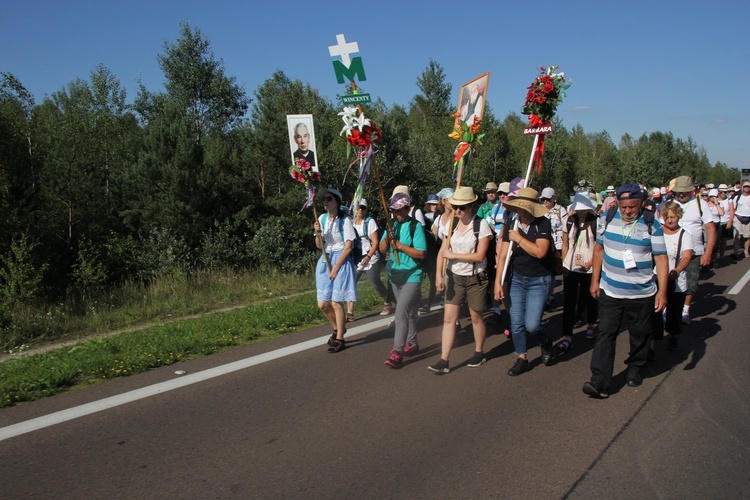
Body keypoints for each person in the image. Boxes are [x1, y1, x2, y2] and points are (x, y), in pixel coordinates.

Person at [582, 183, 668, 399]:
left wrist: (662, 291)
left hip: (641, 294)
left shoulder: (652, 225)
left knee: (639, 335)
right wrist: (595, 280)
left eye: (632, 207)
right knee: (605, 334)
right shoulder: (607, 219)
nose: (628, 211)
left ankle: (634, 369)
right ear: (617, 204)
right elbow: (599, 249)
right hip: (611, 291)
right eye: (624, 207)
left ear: (641, 203)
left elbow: (661, 258)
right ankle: (599, 380)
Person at [428, 187, 492, 374]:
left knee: (475, 316)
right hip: (454, 276)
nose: (458, 210)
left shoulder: (482, 225)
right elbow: (442, 251)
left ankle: (479, 352)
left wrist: (453, 254)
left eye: (462, 207)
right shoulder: (452, 224)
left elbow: (480, 256)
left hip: (476, 277)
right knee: (449, 319)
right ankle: (444, 360)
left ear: (472, 206)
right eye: (456, 206)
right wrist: (439, 275)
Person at [494, 187, 557, 376]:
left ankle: (545, 342)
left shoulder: (543, 224)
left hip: (539, 279)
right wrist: (498, 282)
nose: (521, 211)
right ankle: (521, 357)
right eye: (519, 207)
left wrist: (519, 239)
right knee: (516, 323)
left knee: (532, 324)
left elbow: (540, 251)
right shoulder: (511, 223)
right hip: (517, 279)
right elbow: (503, 255)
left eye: (525, 207)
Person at [380, 193, 427, 369]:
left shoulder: (415, 226)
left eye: (399, 210)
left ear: (408, 209)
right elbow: (382, 249)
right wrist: (388, 237)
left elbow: (422, 254)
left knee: (400, 313)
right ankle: (412, 343)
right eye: (393, 211)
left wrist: (399, 246)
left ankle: (397, 352)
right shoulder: (391, 224)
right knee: (408, 313)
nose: (396, 214)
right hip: (395, 276)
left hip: (412, 275)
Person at [313, 188, 357, 353]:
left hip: (341, 259)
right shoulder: (322, 218)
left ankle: (340, 338)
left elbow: (348, 247)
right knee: (322, 304)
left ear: (337, 202)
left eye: (329, 198)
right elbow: (319, 246)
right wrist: (318, 233)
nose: (325, 201)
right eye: (324, 198)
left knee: (336, 302)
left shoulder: (345, 220)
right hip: (326, 258)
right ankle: (338, 328)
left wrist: (336, 268)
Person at [670, 176, 716, 324]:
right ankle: (669, 309)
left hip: (694, 252)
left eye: (684, 192)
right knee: (670, 281)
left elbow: (710, 229)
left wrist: (708, 253)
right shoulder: (670, 204)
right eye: (679, 192)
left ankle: (685, 310)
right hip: (672, 251)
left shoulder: (700, 204)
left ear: (692, 191)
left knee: (691, 283)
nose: (681, 195)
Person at [558, 192, 599, 353]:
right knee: (569, 301)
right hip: (571, 266)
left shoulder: (596, 222)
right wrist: (564, 263)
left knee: (590, 297)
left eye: (584, 209)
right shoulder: (568, 220)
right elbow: (565, 243)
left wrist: (591, 264)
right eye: (578, 209)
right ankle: (567, 335)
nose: (581, 212)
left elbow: (598, 247)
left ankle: (591, 324)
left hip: (590, 266)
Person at [651, 200, 694, 353]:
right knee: (655, 312)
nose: (669, 220)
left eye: (673, 217)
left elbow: (687, 256)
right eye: (667, 217)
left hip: (676, 281)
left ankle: (673, 335)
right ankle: (653, 343)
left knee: (674, 313)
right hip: (657, 278)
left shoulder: (685, 235)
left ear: (678, 216)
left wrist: (677, 270)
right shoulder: (657, 232)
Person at [346, 199, 390, 322]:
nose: (360, 210)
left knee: (375, 282)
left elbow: (375, 242)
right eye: (358, 207)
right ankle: (350, 312)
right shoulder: (351, 222)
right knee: (351, 283)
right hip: (357, 257)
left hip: (371, 256)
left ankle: (387, 302)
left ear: (366, 209)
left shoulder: (370, 222)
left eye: (363, 208)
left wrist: (368, 257)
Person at [541, 187, 568, 306]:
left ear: (553, 198)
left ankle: (550, 293)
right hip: (543, 243)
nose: (545, 202)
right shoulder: (539, 210)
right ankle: (543, 294)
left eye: (547, 199)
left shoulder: (560, 210)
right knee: (544, 270)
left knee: (553, 270)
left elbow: (566, 226)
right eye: (543, 199)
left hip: (557, 245)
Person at [732, 180, 750, 258]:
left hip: (748, 218)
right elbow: (732, 207)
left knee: (747, 236)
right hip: (738, 217)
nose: (747, 188)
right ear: (742, 188)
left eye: (748, 187)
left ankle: (746, 251)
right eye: (745, 186)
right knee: (737, 235)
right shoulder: (737, 197)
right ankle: (735, 251)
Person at [716, 184, 734, 262]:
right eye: (722, 192)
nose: (723, 193)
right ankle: (715, 256)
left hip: (725, 222)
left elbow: (732, 213)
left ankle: (721, 256)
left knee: (723, 241)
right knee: (716, 241)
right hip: (716, 223)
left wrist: (730, 222)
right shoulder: (715, 200)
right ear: (719, 192)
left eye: (725, 192)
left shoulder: (729, 201)